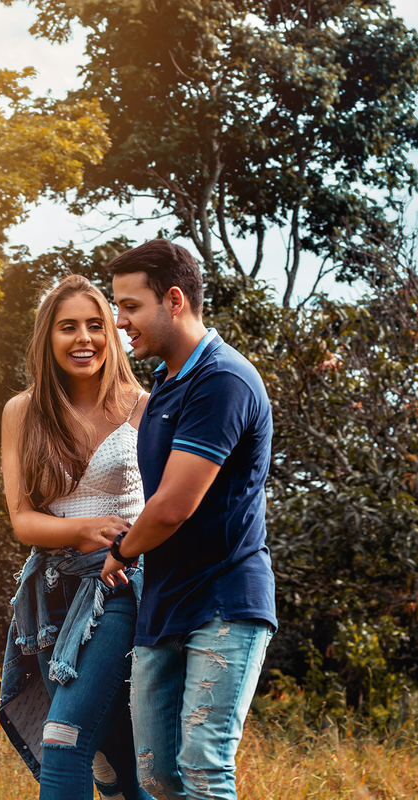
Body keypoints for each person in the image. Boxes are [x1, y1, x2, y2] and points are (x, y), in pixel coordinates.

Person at [100, 239, 276, 800]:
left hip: (224, 600)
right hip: (165, 601)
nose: (119, 321)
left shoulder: (223, 380)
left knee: (203, 764)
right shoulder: (166, 387)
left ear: (173, 300)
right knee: (156, 775)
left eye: (130, 306)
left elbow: (173, 505)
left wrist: (122, 551)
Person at [0, 274, 154, 800]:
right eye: (68, 327)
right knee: (114, 751)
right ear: (48, 337)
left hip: (119, 586)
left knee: (63, 738)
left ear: (111, 333)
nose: (83, 338)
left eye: (95, 325)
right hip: (52, 592)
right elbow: (23, 519)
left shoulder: (144, 407)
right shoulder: (24, 411)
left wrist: (115, 544)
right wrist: (82, 529)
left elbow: (167, 506)